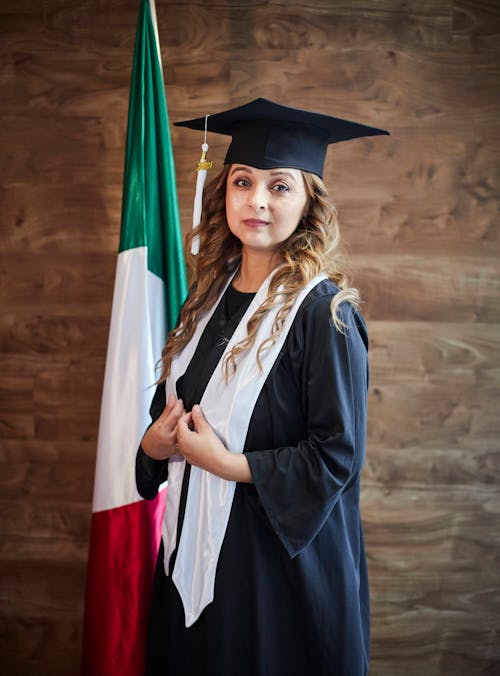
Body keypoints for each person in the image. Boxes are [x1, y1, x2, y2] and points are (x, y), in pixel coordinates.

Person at [135, 98, 388, 676]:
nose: (256, 201)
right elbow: (165, 418)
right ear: (222, 193)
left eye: (280, 187)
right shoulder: (204, 304)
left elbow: (335, 460)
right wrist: (152, 447)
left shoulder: (325, 315)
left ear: (309, 203)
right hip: (188, 561)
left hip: (276, 574)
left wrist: (225, 465)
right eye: (243, 182)